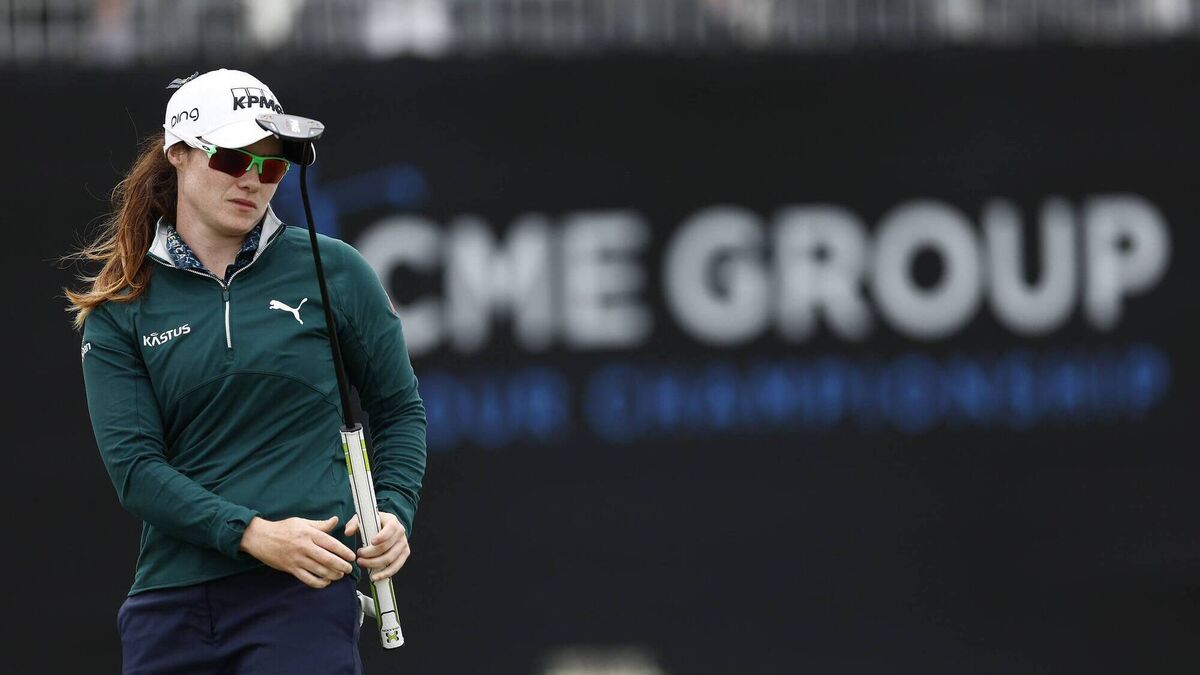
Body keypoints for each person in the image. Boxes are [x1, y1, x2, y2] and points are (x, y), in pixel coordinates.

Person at [66, 68, 427, 674]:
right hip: (170, 605)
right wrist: (253, 534)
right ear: (179, 153)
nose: (254, 181)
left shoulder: (337, 271)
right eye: (233, 159)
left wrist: (393, 508)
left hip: (303, 595)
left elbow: (399, 410)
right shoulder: (122, 303)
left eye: (273, 166)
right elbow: (135, 470)